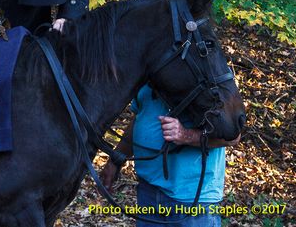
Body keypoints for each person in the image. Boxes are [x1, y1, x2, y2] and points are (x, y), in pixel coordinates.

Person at [100, 84, 241, 227]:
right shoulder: (150, 71)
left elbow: (233, 136)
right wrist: (115, 160)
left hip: (192, 200)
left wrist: (186, 136)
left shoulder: (211, 72)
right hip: (148, 190)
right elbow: (140, 117)